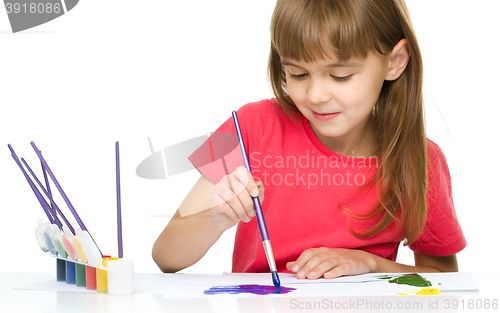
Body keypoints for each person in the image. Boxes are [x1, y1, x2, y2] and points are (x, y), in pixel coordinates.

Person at [152, 0, 466, 280]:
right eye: (298, 74)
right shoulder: (250, 126)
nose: (315, 95)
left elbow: (442, 276)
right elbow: (166, 257)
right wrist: (215, 219)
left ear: (395, 61)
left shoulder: (420, 159)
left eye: (340, 76)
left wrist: (368, 263)